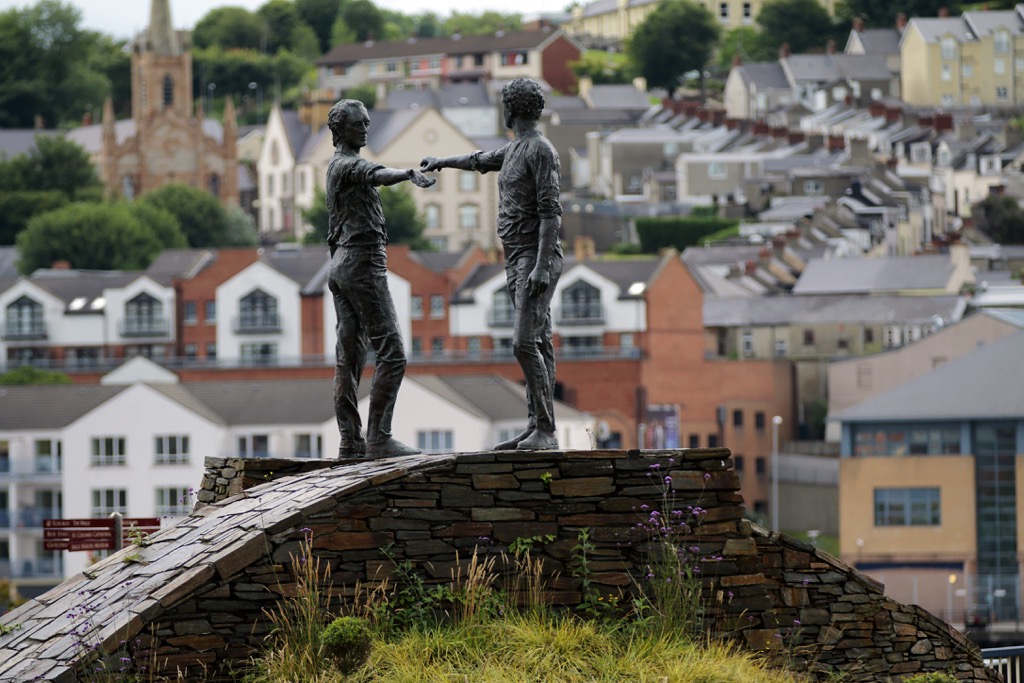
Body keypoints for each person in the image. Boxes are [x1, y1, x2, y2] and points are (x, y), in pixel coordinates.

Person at [421, 77, 563, 451]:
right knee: (539, 341)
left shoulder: (540, 150)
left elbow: (551, 213)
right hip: (516, 257)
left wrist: (542, 265)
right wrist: (442, 162)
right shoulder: (515, 149)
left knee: (523, 342)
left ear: (510, 109)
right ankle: (536, 426)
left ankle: (546, 430)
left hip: (534, 256)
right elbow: (479, 161)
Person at [326, 99, 435, 459]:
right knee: (393, 353)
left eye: (367, 123)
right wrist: (406, 174)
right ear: (340, 130)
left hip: (341, 264)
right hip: (362, 263)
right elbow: (375, 173)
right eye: (357, 124)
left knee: (350, 356)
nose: (365, 129)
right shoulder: (346, 165)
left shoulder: (335, 167)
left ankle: (350, 442)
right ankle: (378, 438)